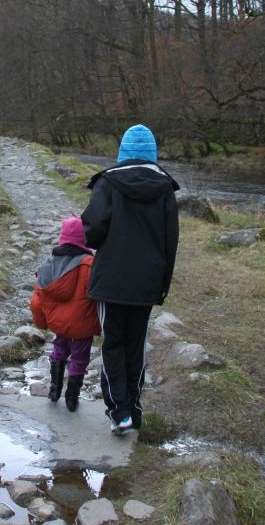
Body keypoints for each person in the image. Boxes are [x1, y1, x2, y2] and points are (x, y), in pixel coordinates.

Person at [81, 124, 179, 435]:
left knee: (113, 345)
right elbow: (170, 243)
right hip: (146, 283)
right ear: (152, 153)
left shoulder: (107, 183)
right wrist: (162, 286)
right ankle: (134, 409)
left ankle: (119, 410)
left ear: (123, 151)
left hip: (111, 280)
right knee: (135, 347)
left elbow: (92, 231)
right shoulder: (165, 189)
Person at [30, 215, 100, 412]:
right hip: (82, 326)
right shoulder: (89, 264)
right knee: (79, 358)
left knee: (59, 350)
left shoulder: (50, 263)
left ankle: (54, 389)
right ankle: (71, 397)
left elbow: (38, 296)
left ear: (62, 237)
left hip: (58, 324)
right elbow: (97, 295)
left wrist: (42, 320)